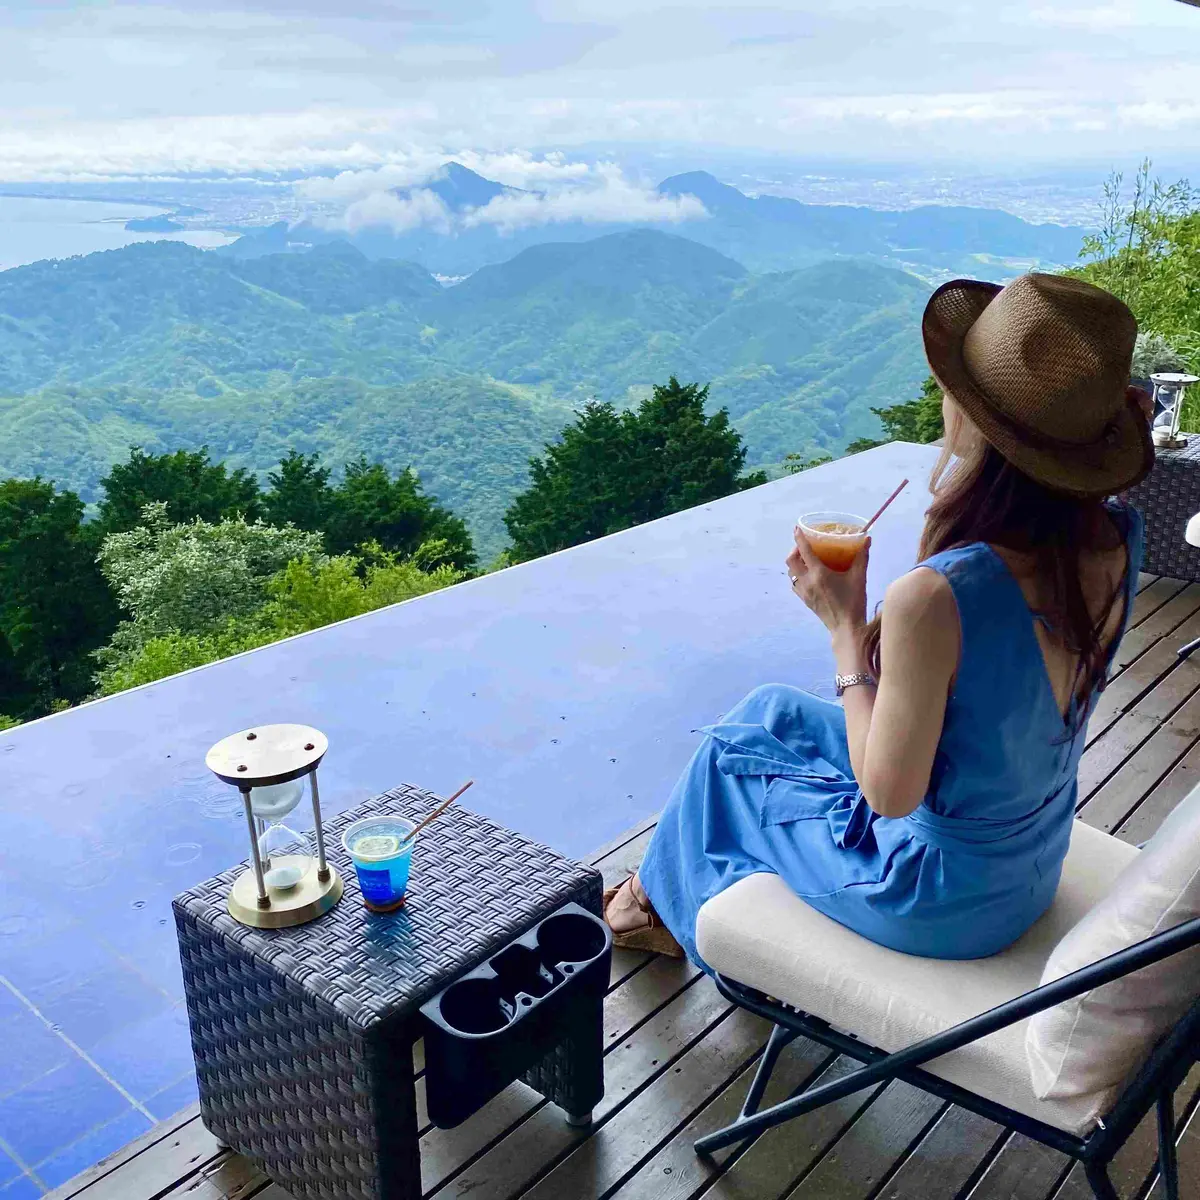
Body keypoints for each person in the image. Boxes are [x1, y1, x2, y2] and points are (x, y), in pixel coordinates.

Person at [604, 272, 1154, 964]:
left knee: (726, 759)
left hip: (933, 895)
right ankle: (649, 897)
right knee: (769, 712)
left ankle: (646, 907)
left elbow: (890, 797)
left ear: (972, 415)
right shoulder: (1116, 539)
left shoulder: (936, 596)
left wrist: (843, 627)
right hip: (1029, 865)